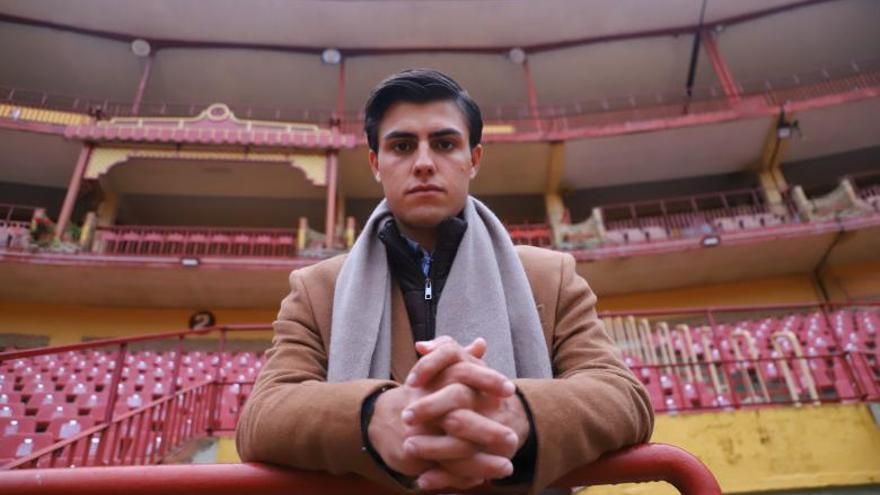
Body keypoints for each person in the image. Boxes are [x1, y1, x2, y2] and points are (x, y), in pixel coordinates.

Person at [236, 69, 653, 494]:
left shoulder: (550, 276)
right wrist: (373, 416)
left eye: (444, 143)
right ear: (376, 164)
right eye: (401, 146)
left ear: (473, 160)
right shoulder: (316, 288)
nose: (423, 162)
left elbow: (623, 397)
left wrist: (517, 415)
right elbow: (263, 416)